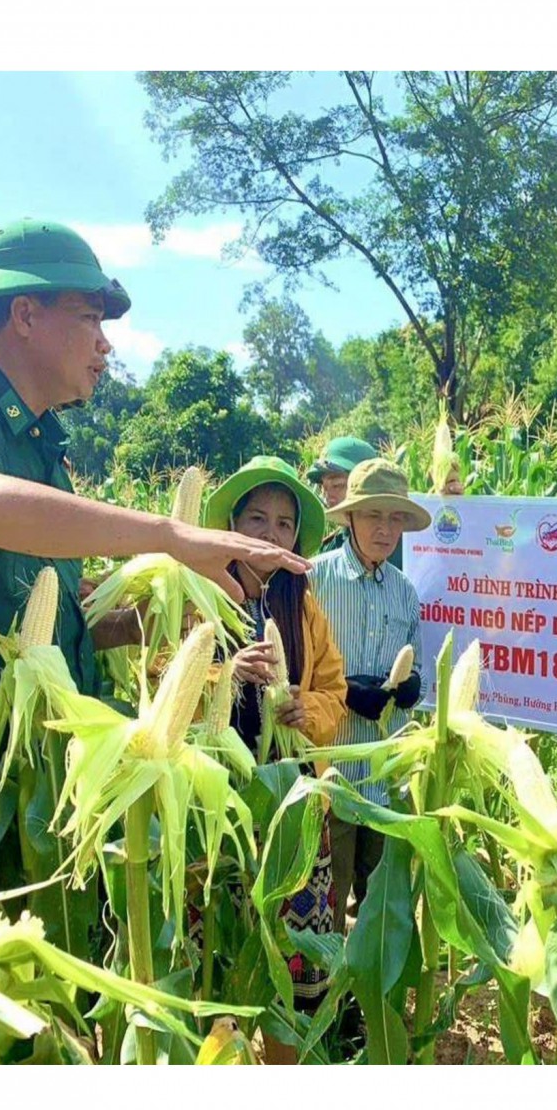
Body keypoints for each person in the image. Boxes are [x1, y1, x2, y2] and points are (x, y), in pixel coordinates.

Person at [0, 219, 307, 849]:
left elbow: (51, 617)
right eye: (90, 318)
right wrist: (167, 536)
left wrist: (154, 618)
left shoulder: (47, 451)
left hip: (54, 762)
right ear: (25, 314)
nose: (105, 345)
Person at [203, 456, 348, 1062]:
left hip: (291, 809)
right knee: (225, 951)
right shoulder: (202, 591)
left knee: (292, 960)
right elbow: (161, 673)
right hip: (220, 803)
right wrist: (223, 676)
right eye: (257, 518)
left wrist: (304, 709)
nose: (270, 533)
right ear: (232, 522)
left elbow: (334, 692)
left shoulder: (302, 601)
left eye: (285, 523)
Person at [310, 458, 426, 935]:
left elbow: (413, 662)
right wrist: (343, 693)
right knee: (328, 900)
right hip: (331, 776)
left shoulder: (405, 593)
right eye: (375, 515)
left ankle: (370, 999)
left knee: (379, 905)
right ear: (350, 517)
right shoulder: (314, 580)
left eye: (395, 518)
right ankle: (332, 1003)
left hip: (384, 777)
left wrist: (411, 685)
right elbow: (295, 671)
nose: (385, 529)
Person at [308, 436, 407, 569]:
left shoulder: (409, 548)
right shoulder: (332, 546)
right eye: (324, 488)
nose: (328, 496)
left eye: (337, 485)